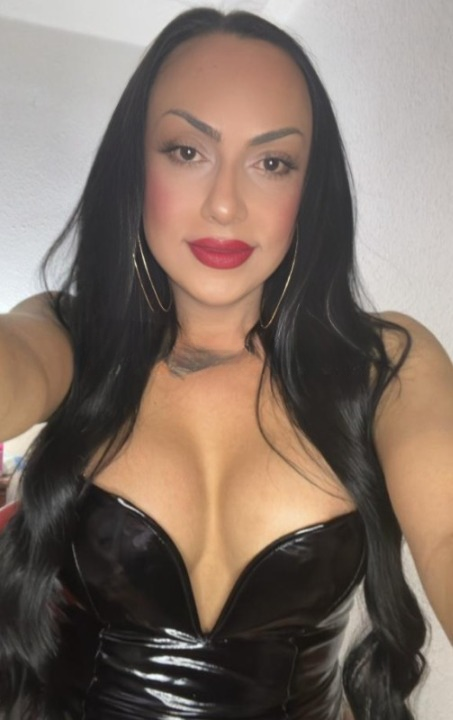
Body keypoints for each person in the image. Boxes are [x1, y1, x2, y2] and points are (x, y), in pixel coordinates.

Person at [0, 6, 452, 720]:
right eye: (187, 151)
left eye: (272, 163)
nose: (224, 206)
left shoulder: (382, 366)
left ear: (309, 191)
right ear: (133, 166)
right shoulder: (66, 334)